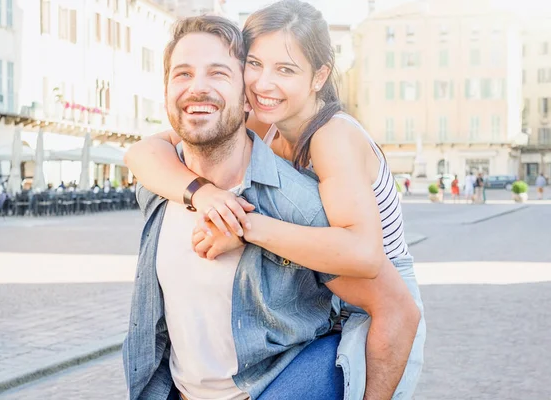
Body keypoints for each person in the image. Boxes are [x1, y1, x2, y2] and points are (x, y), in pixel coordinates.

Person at [125, 3, 425, 399]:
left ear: (320, 76)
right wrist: (207, 194)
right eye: (255, 64)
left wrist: (243, 225)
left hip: (382, 305)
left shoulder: (330, 135)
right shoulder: (264, 120)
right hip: (327, 282)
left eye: (285, 69)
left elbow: (366, 257)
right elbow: (143, 153)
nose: (264, 83)